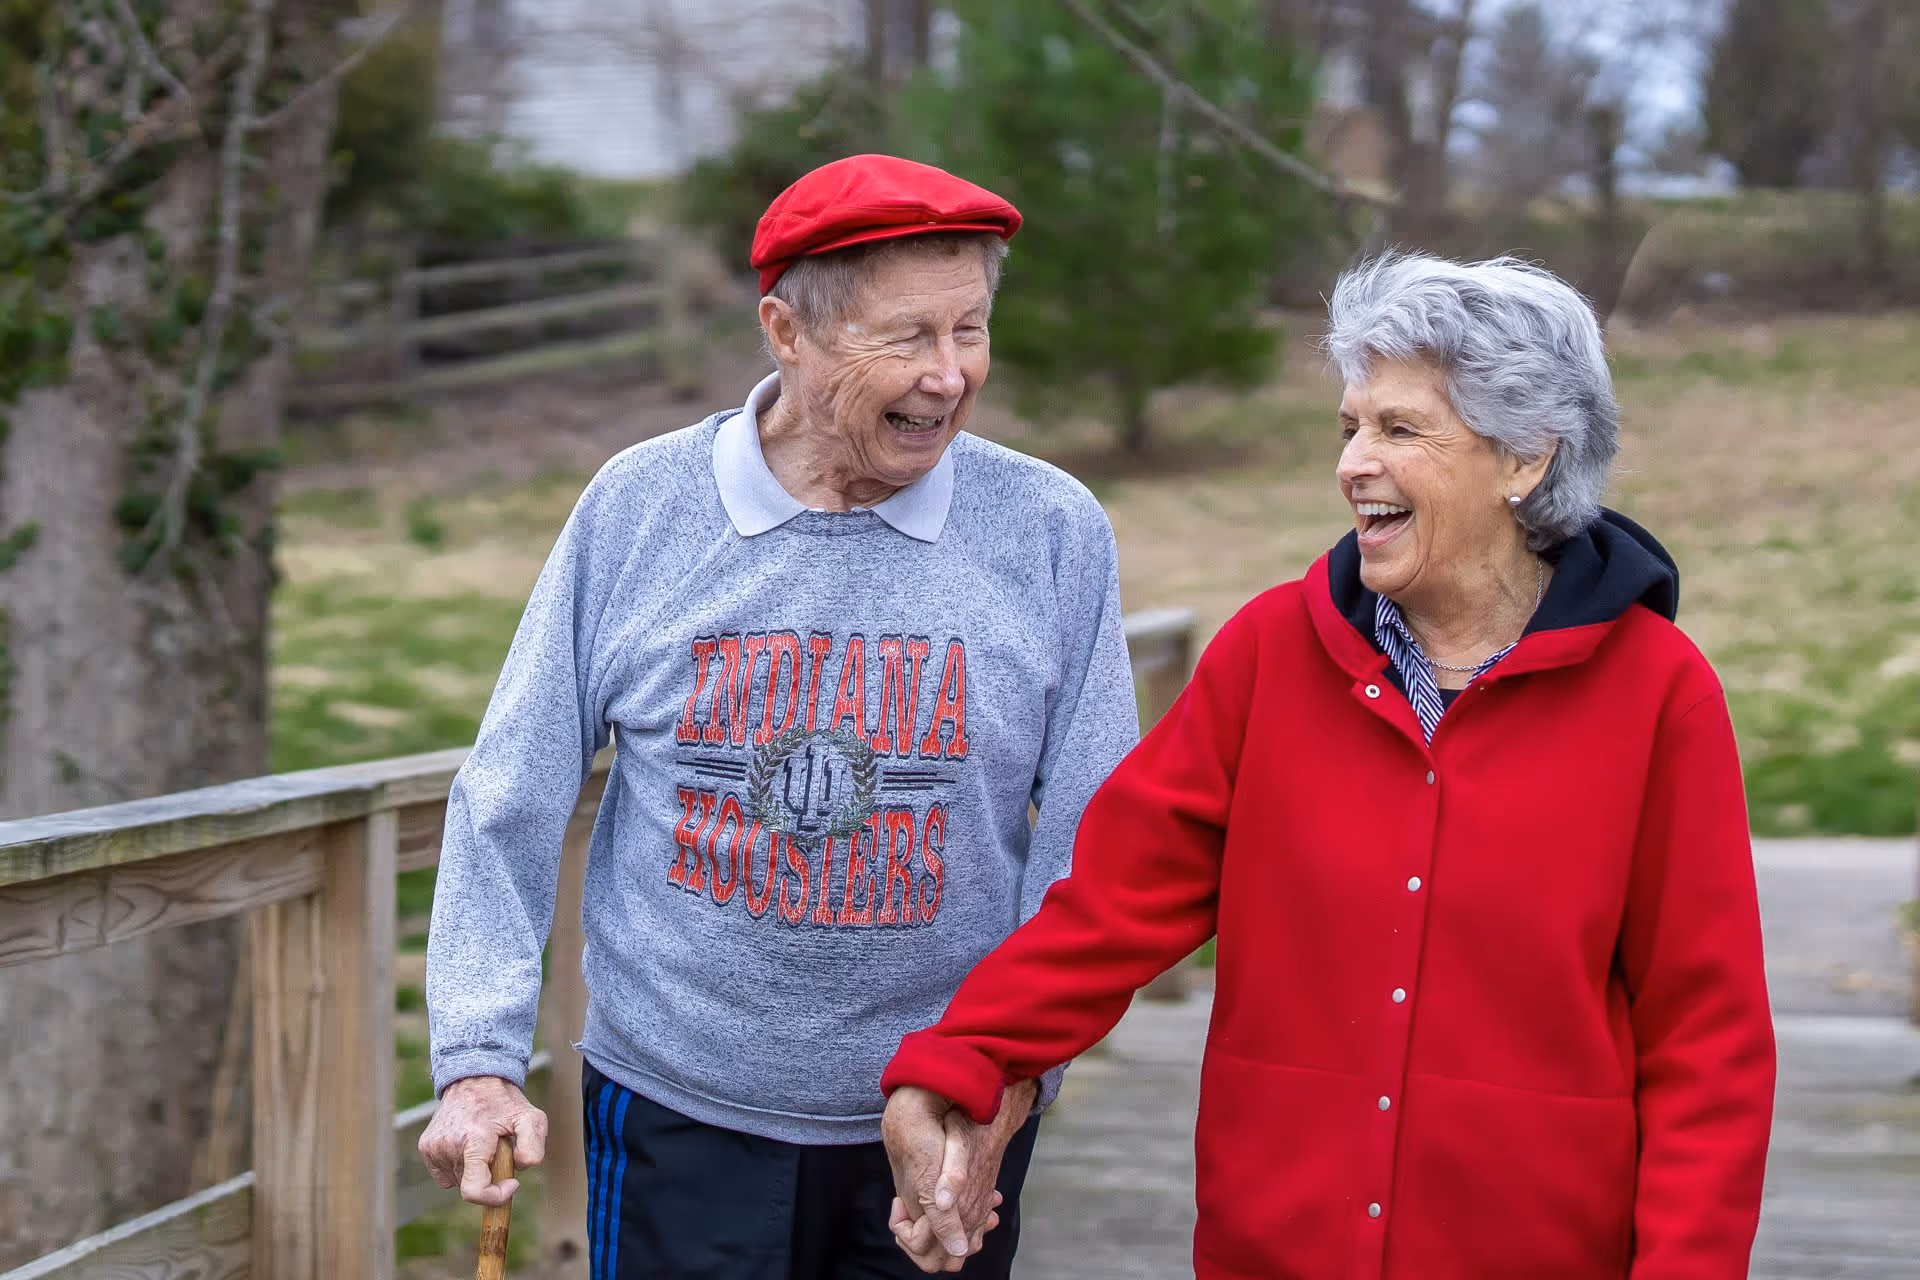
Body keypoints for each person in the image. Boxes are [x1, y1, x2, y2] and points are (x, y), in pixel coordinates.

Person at [880, 253, 1777, 1279]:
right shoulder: (1269, 656)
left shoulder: (1657, 692)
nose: (1355, 462)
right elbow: (1109, 907)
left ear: (1527, 457)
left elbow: (1707, 1043)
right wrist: (971, 1054)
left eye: (1399, 428)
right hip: (1277, 1248)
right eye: (1350, 427)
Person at [417, 154, 1141, 1279]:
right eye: (906, 337)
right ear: (786, 331)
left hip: (948, 1114)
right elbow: (511, 787)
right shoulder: (640, 508)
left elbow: (1098, 837)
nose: (949, 376)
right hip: (676, 1113)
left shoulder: (1049, 529)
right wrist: (477, 1056)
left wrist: (1009, 1078)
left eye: (971, 330)